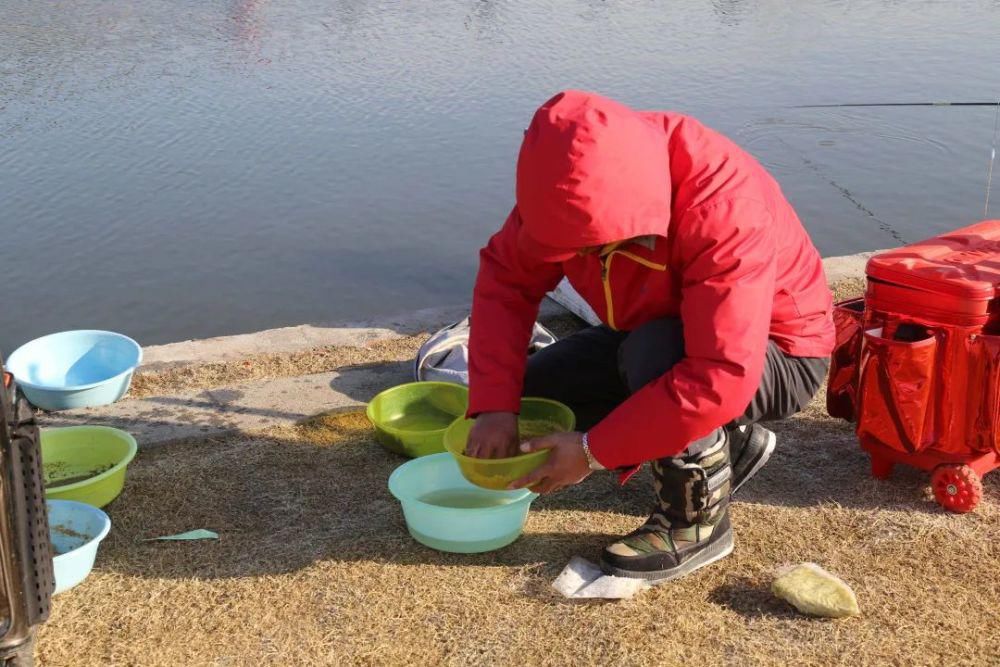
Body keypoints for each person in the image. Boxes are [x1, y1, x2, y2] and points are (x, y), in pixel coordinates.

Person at [464, 90, 834, 582]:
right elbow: (507, 281)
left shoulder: (723, 204)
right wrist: (494, 406)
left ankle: (697, 525)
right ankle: (734, 444)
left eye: (592, 246)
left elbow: (720, 372)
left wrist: (593, 451)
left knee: (656, 357)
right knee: (534, 397)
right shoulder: (562, 181)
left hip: (776, 353)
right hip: (652, 331)